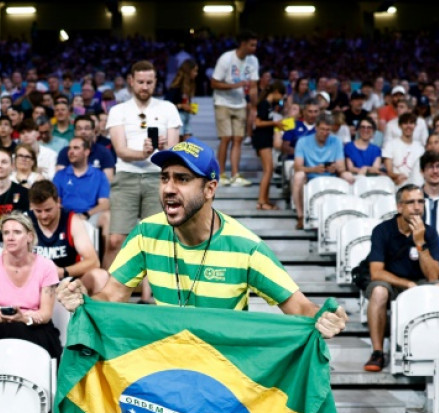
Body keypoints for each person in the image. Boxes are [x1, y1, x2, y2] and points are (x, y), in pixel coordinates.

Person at [54, 137, 348, 338]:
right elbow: (112, 296)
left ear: (210, 189)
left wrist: (322, 317)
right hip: (169, 369)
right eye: (164, 178)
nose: (169, 188)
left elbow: (298, 307)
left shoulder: (245, 247)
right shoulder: (146, 233)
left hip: (223, 376)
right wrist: (84, 300)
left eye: (182, 179)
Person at [105, 60, 182, 270]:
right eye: (140, 82)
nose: (145, 87)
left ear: (156, 82)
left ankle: (152, 290)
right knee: (116, 241)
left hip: (158, 179)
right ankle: (108, 289)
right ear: (131, 81)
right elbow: (120, 151)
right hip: (126, 176)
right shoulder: (118, 110)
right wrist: (144, 153)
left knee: (156, 241)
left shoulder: (168, 108)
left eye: (149, 82)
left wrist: (163, 149)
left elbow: (174, 152)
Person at [363, 184, 439, 371]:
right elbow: (376, 272)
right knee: (379, 291)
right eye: (411, 202)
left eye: (420, 202)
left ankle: (437, 350)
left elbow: (433, 275)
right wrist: (407, 284)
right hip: (390, 282)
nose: (417, 207)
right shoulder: (382, 230)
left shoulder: (429, 232)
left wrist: (420, 242)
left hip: (420, 282)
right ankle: (377, 352)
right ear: (399, 207)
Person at [0, 213, 62, 358]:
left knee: (19, 332)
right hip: (3, 326)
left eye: (17, 232)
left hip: (37, 327)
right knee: (7, 332)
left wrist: (23, 318)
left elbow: (45, 314)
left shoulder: (46, 266)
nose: (10, 237)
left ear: (29, 237)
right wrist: (11, 318)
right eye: (6, 233)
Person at [28, 180, 107, 295]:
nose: (44, 215)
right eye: (38, 211)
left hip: (69, 283)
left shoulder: (72, 221)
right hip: (35, 284)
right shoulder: (25, 222)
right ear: (31, 207)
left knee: (100, 276)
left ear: (58, 202)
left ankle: (94, 307)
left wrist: (61, 272)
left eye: (48, 210)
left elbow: (93, 262)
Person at [211, 30, 259, 186]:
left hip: (240, 103)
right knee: (226, 138)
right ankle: (220, 174)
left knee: (238, 139)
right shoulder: (226, 58)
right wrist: (235, 85)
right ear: (243, 44)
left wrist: (254, 106)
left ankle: (235, 175)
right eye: (252, 45)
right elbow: (214, 83)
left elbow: (253, 85)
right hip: (222, 102)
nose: (254, 48)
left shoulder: (253, 60)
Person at [292, 115, 353, 229]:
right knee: (298, 176)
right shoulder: (303, 141)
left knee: (348, 176)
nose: (325, 133)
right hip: (310, 176)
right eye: (322, 129)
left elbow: (342, 167)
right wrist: (313, 169)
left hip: (331, 175)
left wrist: (335, 168)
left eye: (328, 130)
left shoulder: (336, 141)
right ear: (316, 128)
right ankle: (300, 216)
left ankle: (346, 214)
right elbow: (297, 166)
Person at [52, 137, 111, 223]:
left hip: (90, 216)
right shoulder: (60, 175)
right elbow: (55, 201)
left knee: (107, 217)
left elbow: (104, 204)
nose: (71, 152)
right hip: (65, 217)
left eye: (76, 148)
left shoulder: (99, 176)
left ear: (87, 152)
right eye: (69, 148)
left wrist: (86, 214)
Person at [251, 81, 285, 210]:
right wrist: (275, 123)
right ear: (276, 92)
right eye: (281, 95)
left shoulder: (269, 105)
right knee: (268, 170)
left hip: (266, 138)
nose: (281, 98)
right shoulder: (264, 104)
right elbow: (258, 123)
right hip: (262, 139)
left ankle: (265, 200)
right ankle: (261, 202)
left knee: (269, 171)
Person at [382, 113, 425, 186]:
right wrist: (398, 176)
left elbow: (423, 171)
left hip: (417, 184)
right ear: (400, 126)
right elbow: (389, 172)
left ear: (415, 125)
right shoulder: (390, 145)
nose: (408, 126)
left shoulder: (420, 148)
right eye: (405, 123)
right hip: (396, 184)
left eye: (411, 123)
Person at [166, 59, 198, 141]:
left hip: (186, 117)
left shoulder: (189, 85)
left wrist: (190, 108)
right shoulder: (176, 87)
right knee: (179, 144)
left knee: (188, 142)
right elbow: (166, 105)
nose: (196, 74)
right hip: (177, 117)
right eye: (194, 71)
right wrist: (181, 106)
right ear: (188, 71)